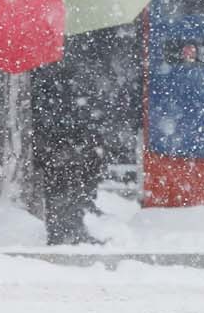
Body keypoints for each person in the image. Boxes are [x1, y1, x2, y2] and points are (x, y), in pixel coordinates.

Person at [32, 25, 132, 245]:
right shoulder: (69, 52)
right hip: (65, 123)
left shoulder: (62, 47)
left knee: (70, 177)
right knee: (65, 176)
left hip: (69, 121)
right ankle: (64, 229)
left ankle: (69, 226)